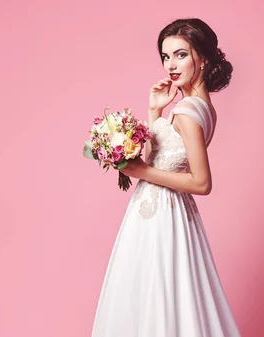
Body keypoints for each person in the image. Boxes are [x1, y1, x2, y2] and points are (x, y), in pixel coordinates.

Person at [90, 18, 241, 337]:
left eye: (181, 55)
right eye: (165, 56)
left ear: (203, 57)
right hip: (163, 213)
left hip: (162, 217)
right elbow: (165, 161)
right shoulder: (199, 107)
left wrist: (140, 171)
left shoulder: (188, 112)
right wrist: (154, 113)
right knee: (162, 299)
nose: (170, 65)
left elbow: (201, 182)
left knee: (153, 296)